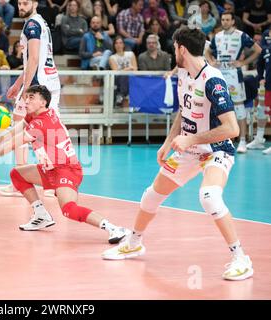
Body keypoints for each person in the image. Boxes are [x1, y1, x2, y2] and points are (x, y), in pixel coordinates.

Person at [102, 26, 254, 282]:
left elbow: (232, 128)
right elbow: (183, 112)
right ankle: (134, 242)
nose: (173, 51)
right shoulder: (183, 73)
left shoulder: (213, 81)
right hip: (188, 150)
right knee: (151, 196)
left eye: (174, 47)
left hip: (216, 150)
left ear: (181, 49)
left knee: (209, 196)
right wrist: (168, 142)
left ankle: (241, 258)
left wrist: (191, 139)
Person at [0, 84, 128, 241]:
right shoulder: (34, 116)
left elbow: (11, 145)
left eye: (31, 98)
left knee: (69, 210)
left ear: (43, 102)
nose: (26, 102)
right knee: (17, 174)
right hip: (50, 169)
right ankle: (41, 215)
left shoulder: (41, 122)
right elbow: (8, 136)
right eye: (26, 98)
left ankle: (113, 228)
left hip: (67, 170)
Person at [0, 0, 61, 198]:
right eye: (19, 3)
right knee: (46, 133)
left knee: (19, 128)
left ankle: (20, 181)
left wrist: (25, 91)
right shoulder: (41, 22)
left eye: (25, 3)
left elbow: (33, 59)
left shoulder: (32, 25)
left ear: (35, 3)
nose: (21, 6)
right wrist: (17, 84)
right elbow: (33, 60)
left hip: (38, 85)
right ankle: (52, 183)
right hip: (50, 82)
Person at [206, 11, 262, 153]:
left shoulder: (241, 35)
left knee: (238, 106)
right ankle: (222, 140)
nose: (224, 22)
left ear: (232, 22)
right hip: (219, 74)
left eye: (227, 20)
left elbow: (258, 50)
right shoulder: (217, 36)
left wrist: (243, 62)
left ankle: (242, 140)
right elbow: (207, 51)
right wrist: (212, 61)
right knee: (218, 106)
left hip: (234, 75)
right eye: (223, 19)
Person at [247, 28, 271, 154]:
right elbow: (261, 62)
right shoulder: (266, 38)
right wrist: (261, 77)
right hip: (268, 84)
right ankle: (259, 139)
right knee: (263, 109)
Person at [109, 35, 137, 106]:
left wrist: (125, 70)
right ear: (114, 45)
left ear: (124, 44)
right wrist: (128, 69)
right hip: (119, 79)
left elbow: (135, 68)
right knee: (124, 75)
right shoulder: (112, 58)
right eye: (116, 43)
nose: (119, 45)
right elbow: (116, 72)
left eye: (120, 43)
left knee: (128, 75)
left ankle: (121, 95)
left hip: (131, 77)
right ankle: (122, 94)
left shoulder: (130, 54)